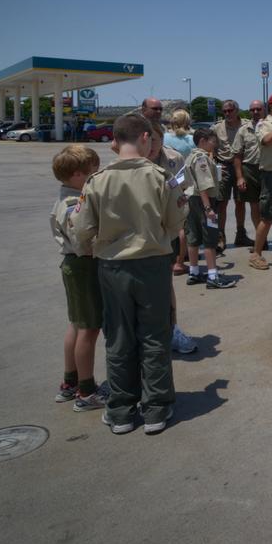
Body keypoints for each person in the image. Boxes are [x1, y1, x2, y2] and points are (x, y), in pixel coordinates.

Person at [72, 113, 185, 435]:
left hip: (112, 267)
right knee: (154, 335)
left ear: (115, 141)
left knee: (119, 336)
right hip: (152, 264)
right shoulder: (161, 177)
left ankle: (121, 410)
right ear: (146, 138)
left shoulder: (97, 180)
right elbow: (177, 223)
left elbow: (81, 231)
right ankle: (156, 409)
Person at [49, 144, 108, 411]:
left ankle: (70, 382)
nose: (96, 176)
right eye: (92, 173)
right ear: (76, 175)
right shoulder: (74, 203)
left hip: (73, 265)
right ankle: (86, 391)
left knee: (76, 324)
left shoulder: (66, 196)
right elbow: (83, 237)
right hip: (83, 265)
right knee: (89, 328)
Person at [144, 120, 200, 354]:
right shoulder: (132, 162)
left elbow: (185, 181)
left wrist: (172, 188)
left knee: (165, 282)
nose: (151, 146)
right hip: (143, 230)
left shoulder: (174, 158)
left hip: (167, 228)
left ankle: (172, 328)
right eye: (147, 141)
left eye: (155, 141)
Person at [184, 128, 236, 289]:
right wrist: (208, 209)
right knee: (210, 238)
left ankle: (194, 272)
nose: (216, 145)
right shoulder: (201, 159)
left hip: (192, 199)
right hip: (204, 201)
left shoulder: (192, 156)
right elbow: (203, 185)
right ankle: (213, 276)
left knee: (193, 236)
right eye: (213, 141)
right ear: (203, 141)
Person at [248, 93, 272, 271]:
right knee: (267, 217)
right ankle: (256, 254)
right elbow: (266, 141)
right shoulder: (264, 124)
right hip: (270, 174)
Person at [212, 100, 252, 250]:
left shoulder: (246, 125)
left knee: (240, 201)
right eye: (225, 111)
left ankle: (240, 234)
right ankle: (220, 237)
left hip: (243, 166)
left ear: (237, 110)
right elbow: (210, 147)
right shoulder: (217, 128)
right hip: (224, 167)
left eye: (230, 110)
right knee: (221, 203)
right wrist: (214, 163)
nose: (227, 114)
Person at [164, 109, 195, 278]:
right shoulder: (191, 140)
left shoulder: (164, 138)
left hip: (165, 183)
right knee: (182, 225)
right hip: (183, 183)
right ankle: (180, 261)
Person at [231, 100, 263, 256]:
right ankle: (260, 240)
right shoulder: (243, 130)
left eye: (258, 109)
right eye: (252, 109)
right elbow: (237, 155)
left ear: (264, 110)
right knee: (254, 206)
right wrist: (239, 177)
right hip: (249, 170)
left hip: (268, 170)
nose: (255, 112)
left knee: (271, 207)